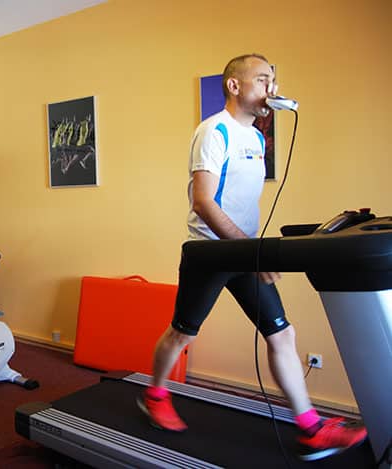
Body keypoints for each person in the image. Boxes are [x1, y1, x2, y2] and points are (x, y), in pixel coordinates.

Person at [137, 54, 368, 462]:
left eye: (273, 81)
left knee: (282, 334)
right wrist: (252, 252)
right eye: (263, 80)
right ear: (234, 85)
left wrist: (251, 251)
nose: (271, 89)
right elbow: (203, 202)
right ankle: (155, 395)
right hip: (211, 253)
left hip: (245, 251)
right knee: (182, 334)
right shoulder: (213, 131)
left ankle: (310, 427)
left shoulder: (258, 138)